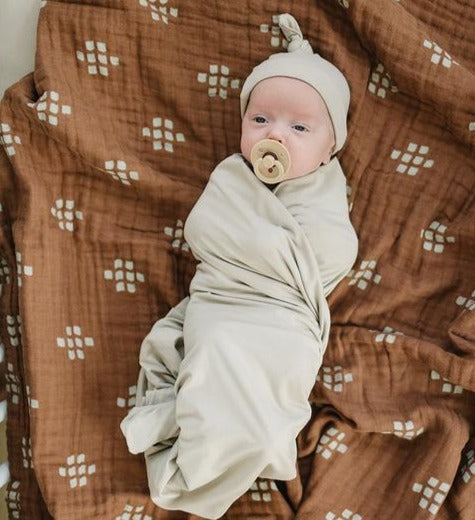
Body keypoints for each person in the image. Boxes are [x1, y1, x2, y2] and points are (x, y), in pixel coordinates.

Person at [120, 13, 358, 520]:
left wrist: (282, 254)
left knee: (267, 378)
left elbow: (335, 253)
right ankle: (208, 448)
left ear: (328, 148)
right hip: (226, 303)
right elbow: (207, 229)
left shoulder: (325, 196)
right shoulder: (232, 179)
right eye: (261, 121)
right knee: (215, 353)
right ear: (243, 126)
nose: (278, 136)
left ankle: (240, 445)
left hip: (283, 319)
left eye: (299, 128)